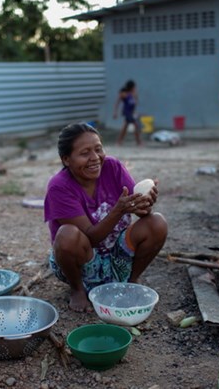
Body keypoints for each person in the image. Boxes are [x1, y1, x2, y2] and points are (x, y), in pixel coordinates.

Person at [44, 123, 167, 311]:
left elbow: (138, 210)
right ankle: (78, 289)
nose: (95, 158)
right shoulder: (59, 187)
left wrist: (146, 203)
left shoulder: (113, 167)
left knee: (156, 223)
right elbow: (90, 238)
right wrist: (118, 210)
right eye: (85, 153)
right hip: (83, 261)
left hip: (118, 255)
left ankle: (130, 282)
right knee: (67, 234)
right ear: (67, 159)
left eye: (98, 149)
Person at [113, 80, 142, 146]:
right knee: (135, 126)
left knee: (125, 127)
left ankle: (119, 141)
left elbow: (135, 104)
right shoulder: (124, 94)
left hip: (131, 113)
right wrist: (115, 112)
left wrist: (134, 111)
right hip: (127, 112)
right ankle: (139, 142)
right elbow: (117, 103)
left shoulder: (133, 94)